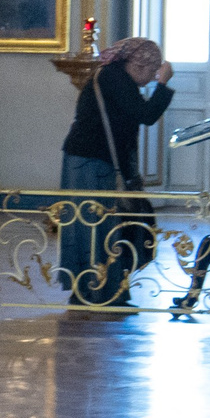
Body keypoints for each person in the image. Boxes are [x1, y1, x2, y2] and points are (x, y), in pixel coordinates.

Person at [59, 35, 175, 306]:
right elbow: (146, 115)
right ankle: (97, 292)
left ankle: (101, 290)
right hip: (89, 162)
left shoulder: (118, 78)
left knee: (106, 226)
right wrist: (163, 84)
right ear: (137, 65)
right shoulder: (113, 78)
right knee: (95, 227)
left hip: (96, 160)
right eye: (152, 70)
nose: (153, 76)